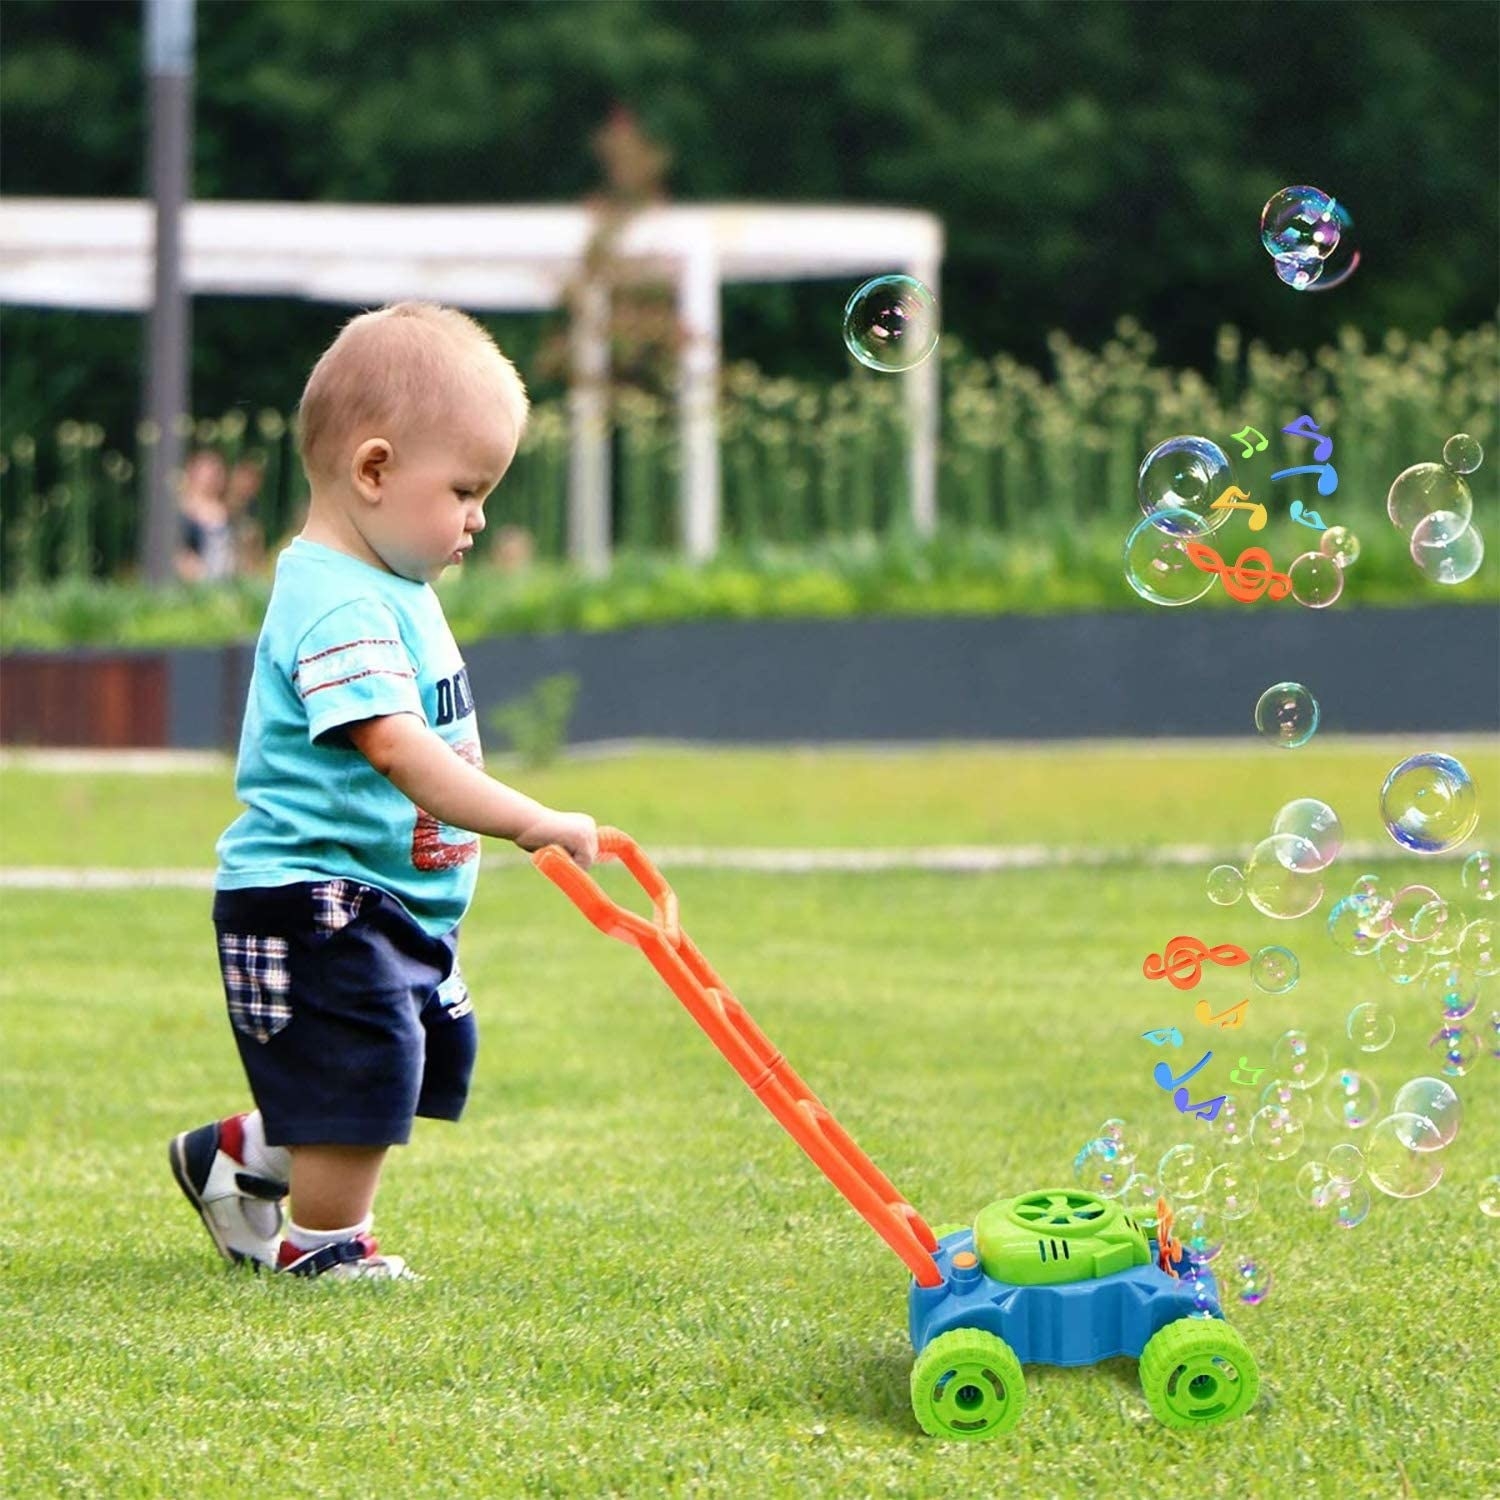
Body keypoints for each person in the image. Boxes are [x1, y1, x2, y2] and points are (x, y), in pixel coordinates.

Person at [168, 302, 600, 1280]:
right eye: (465, 489)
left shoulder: (393, 589)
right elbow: (401, 752)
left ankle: (239, 1155)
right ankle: (324, 1250)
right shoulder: (338, 603)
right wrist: (529, 820)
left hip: (383, 897)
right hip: (315, 898)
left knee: (427, 1056)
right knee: (364, 1069)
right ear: (372, 471)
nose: (479, 518)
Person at [175, 448, 234, 582]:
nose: (211, 477)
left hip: (223, 576)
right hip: (193, 578)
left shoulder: (226, 508)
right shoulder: (181, 508)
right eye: (207, 471)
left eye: (215, 472)